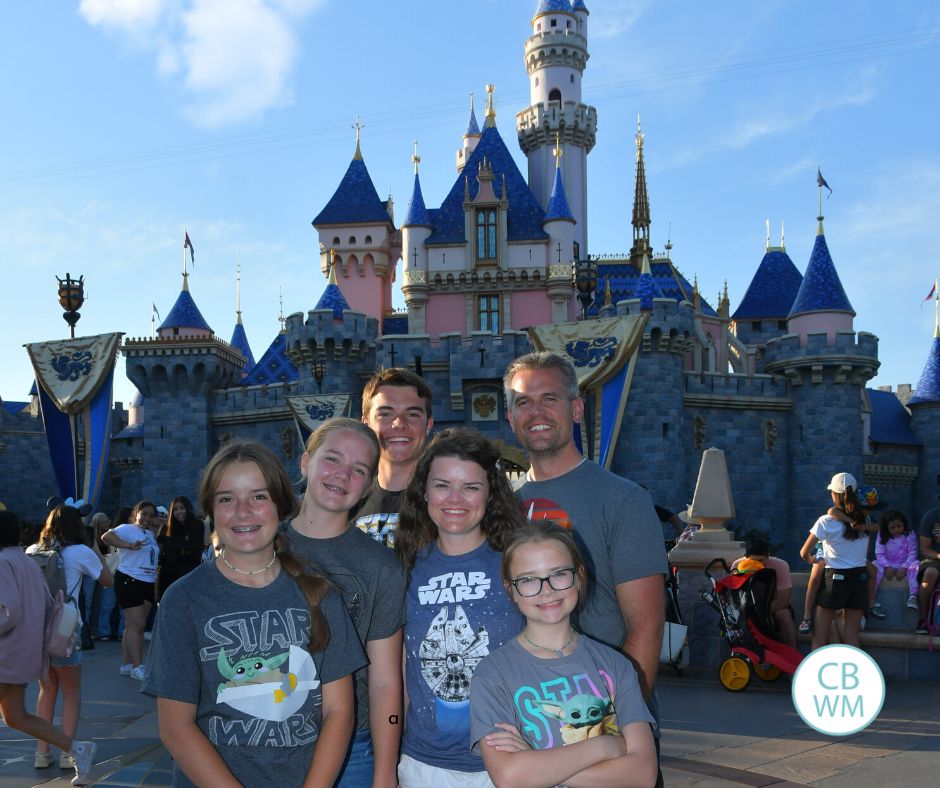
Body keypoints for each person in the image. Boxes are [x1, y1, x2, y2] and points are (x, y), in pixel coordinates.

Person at [142, 440, 365, 787]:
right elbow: (175, 726)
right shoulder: (184, 599)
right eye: (227, 498)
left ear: (280, 504)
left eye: (258, 496)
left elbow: (339, 712)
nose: (243, 511)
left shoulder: (321, 593)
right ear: (211, 510)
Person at [504, 351, 668, 781]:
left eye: (549, 398)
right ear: (510, 416)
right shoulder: (503, 507)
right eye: (523, 402)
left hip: (604, 727)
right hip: (532, 729)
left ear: (576, 409)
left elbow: (646, 626)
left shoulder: (623, 499)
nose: (535, 412)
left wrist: (608, 727)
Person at [470, 521, 657, 788]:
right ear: (510, 588)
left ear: (579, 576)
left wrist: (535, 762)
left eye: (558, 574)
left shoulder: (616, 665)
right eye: (528, 579)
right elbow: (510, 777)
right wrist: (606, 745)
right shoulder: (492, 674)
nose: (546, 590)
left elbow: (643, 774)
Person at [395, 429, 525, 786]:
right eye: (442, 485)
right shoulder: (404, 569)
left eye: (471, 486)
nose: (456, 499)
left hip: (508, 760)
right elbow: (400, 668)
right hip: (425, 763)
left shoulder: (517, 564)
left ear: (490, 493)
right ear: (423, 491)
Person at [285, 418, 406, 788]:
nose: (342, 475)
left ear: (368, 483)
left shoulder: (381, 567)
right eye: (332, 459)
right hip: (261, 742)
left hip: (353, 750)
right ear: (306, 462)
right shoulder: (260, 547)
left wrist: (385, 772)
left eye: (358, 469)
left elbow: (386, 681)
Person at [0, 509, 98, 787]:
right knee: (15, 716)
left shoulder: (3, 562)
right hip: (25, 652)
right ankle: (77, 748)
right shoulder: (26, 561)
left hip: (6, 652)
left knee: (16, 716)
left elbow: (8, 611)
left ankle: (75, 749)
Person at [27, 504, 112, 772]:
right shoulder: (81, 552)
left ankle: (41, 753)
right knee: (71, 692)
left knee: (46, 689)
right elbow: (107, 580)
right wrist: (96, 548)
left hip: (38, 630)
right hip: (65, 629)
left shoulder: (33, 551)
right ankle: (68, 752)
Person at [353, 368, 433, 548]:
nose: (399, 424)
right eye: (385, 414)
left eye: (412, 414)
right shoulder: (347, 500)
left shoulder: (449, 500)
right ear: (366, 424)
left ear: (428, 424)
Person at [799, 472, 876, 650]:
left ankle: (814, 676)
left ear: (833, 494)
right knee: (851, 635)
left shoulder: (825, 522)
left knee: (820, 636)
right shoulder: (865, 520)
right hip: (859, 579)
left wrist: (812, 559)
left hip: (834, 580)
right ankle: (857, 675)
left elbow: (804, 552)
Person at [101, 501, 159, 680]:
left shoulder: (150, 534)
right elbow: (106, 536)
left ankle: (126, 664)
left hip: (147, 582)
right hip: (129, 580)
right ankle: (137, 666)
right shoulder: (127, 528)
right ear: (136, 513)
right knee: (138, 626)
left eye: (151, 515)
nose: (147, 518)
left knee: (131, 626)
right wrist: (127, 545)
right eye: (144, 514)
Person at [731, 538, 796, 649]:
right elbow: (734, 596)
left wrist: (763, 613)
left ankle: (793, 656)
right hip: (747, 607)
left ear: (768, 556)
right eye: (753, 561)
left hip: (773, 607)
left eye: (760, 561)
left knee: (784, 615)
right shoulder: (738, 566)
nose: (757, 565)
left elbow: (783, 600)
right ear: (746, 557)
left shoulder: (780, 566)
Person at [155, 496, 205, 602]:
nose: (179, 512)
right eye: (175, 509)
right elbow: (158, 553)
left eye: (182, 508)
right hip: (170, 576)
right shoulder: (166, 529)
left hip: (192, 575)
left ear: (188, 508)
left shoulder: (198, 525)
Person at [872, 510, 920, 610]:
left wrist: (904, 567)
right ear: (886, 528)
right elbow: (879, 553)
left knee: (917, 564)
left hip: (905, 564)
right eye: (892, 528)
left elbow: (913, 553)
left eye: (899, 526)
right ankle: (872, 596)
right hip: (887, 563)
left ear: (904, 524)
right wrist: (887, 566)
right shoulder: (882, 534)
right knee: (874, 565)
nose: (897, 530)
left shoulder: (909, 534)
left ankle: (913, 597)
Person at [90, 512, 122, 641]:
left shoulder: (111, 535)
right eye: (104, 522)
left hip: (113, 571)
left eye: (107, 521)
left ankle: (115, 631)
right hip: (102, 572)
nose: (107, 523)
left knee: (112, 604)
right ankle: (103, 631)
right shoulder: (94, 539)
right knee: (106, 604)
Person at [915, 503, 940, 635]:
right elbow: (924, 548)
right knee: (930, 574)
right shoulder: (931, 517)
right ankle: (924, 618)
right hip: (934, 558)